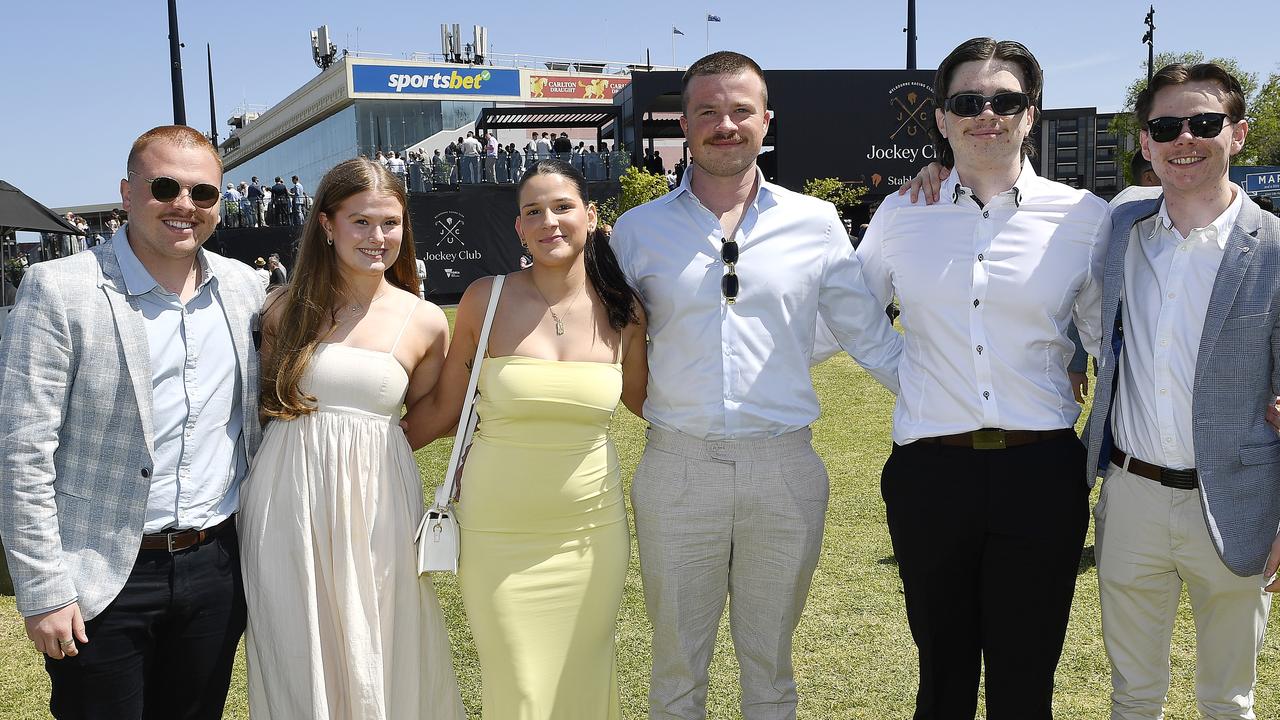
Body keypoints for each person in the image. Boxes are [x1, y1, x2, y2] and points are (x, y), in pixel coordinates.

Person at [609, 51, 904, 720]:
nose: (725, 124)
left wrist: (957, 404)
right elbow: (597, 340)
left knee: (770, 670)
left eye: (741, 110)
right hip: (678, 468)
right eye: (708, 111)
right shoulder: (637, 232)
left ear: (766, 120)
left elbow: (870, 339)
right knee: (677, 670)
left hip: (785, 469)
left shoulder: (816, 222)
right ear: (683, 124)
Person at [862, 38, 1111, 719]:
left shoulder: (1085, 220)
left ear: (1031, 114)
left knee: (1026, 680)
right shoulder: (900, 214)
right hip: (930, 475)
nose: (986, 115)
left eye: (1004, 101)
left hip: (1043, 475)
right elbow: (849, 314)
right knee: (941, 678)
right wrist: (908, 373)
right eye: (967, 102)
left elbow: (1105, 343)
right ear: (941, 118)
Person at [0, 124, 264, 719]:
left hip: (217, 567)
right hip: (101, 577)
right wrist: (43, 590)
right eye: (165, 186)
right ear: (126, 192)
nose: (185, 206)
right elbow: (21, 452)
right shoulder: (59, 289)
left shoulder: (247, 289)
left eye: (203, 194)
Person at [403, 158, 649, 719]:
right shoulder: (483, 300)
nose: (549, 222)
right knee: (518, 687)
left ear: (591, 215)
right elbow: (444, 406)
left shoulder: (626, 312)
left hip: (591, 534)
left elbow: (646, 403)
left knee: (585, 675)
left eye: (562, 207)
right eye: (533, 212)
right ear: (518, 228)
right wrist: (368, 445)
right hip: (497, 535)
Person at [1083, 62, 1280, 720]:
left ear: (1239, 133)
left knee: (1228, 701)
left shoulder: (1277, 249)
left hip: (1238, 502)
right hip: (1131, 499)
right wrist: (938, 173)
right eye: (1166, 126)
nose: (1184, 139)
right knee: (1132, 698)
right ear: (1145, 142)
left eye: (1204, 123)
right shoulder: (1120, 231)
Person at [239, 157, 463, 719]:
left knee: (381, 634)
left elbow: (434, 409)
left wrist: (373, 451)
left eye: (390, 222)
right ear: (326, 225)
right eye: (360, 221)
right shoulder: (281, 311)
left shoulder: (425, 319)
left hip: (380, 502)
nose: (378, 237)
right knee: (296, 640)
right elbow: (263, 403)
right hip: (287, 497)